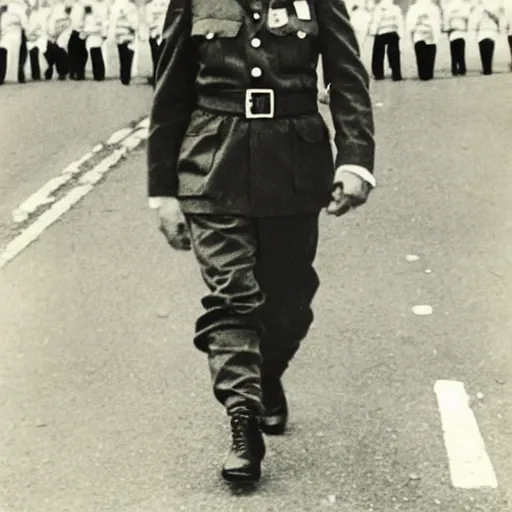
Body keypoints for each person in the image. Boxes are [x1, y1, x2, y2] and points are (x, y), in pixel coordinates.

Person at [147, 0, 375, 483]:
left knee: (290, 304)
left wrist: (355, 158)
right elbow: (169, 91)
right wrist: (162, 191)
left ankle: (266, 377)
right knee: (232, 297)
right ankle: (243, 421)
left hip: (294, 163)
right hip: (212, 164)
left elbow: (345, 74)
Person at [406, 0, 442, 80]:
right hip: (419, 33)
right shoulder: (414, 8)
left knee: (429, 54)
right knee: (422, 54)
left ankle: (427, 73)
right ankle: (424, 73)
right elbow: (410, 21)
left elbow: (437, 21)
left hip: (430, 33)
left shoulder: (433, 8)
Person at [368, 0, 404, 80]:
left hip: (381, 31)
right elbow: (399, 21)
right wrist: (401, 33)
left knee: (378, 53)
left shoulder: (378, 8)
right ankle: (396, 74)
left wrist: (373, 31)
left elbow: (376, 21)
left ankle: (378, 73)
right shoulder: (395, 8)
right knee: (394, 53)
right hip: (393, 31)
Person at [108, 0, 138, 85]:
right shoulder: (117, 5)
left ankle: (125, 76)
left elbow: (134, 21)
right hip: (122, 33)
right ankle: (125, 76)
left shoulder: (129, 6)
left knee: (124, 55)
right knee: (124, 55)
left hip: (125, 33)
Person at [469, 0, 503, 75]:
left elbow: (475, 22)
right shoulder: (495, 7)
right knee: (490, 53)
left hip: (482, 32)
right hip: (491, 32)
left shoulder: (478, 8)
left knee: (483, 53)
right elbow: (498, 19)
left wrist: (474, 33)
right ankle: (489, 69)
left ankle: (485, 69)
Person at [79, 0, 109, 81]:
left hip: (96, 33)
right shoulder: (89, 8)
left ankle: (99, 75)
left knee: (96, 53)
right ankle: (98, 75)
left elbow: (103, 21)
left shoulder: (100, 7)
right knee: (94, 54)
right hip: (91, 34)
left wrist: (104, 33)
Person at [0, 0, 28, 84]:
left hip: (8, 35)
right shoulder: (18, 8)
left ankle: (3, 77)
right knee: (17, 54)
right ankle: (19, 75)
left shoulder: (9, 12)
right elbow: (25, 23)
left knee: (5, 54)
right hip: (16, 33)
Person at [442, 0, 471, 75]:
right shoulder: (464, 5)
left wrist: (446, 29)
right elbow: (467, 17)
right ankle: (462, 69)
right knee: (461, 51)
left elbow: (446, 19)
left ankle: (454, 69)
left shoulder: (449, 6)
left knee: (454, 52)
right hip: (461, 30)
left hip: (453, 31)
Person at [45, 0, 72, 79]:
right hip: (52, 28)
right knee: (52, 50)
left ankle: (62, 72)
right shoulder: (52, 5)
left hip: (62, 26)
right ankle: (53, 69)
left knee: (59, 49)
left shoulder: (62, 5)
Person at [144, 0, 167, 86]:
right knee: (157, 58)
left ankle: (159, 78)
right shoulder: (150, 6)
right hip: (156, 34)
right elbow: (149, 22)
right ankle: (157, 78)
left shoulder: (166, 4)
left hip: (162, 34)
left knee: (158, 58)